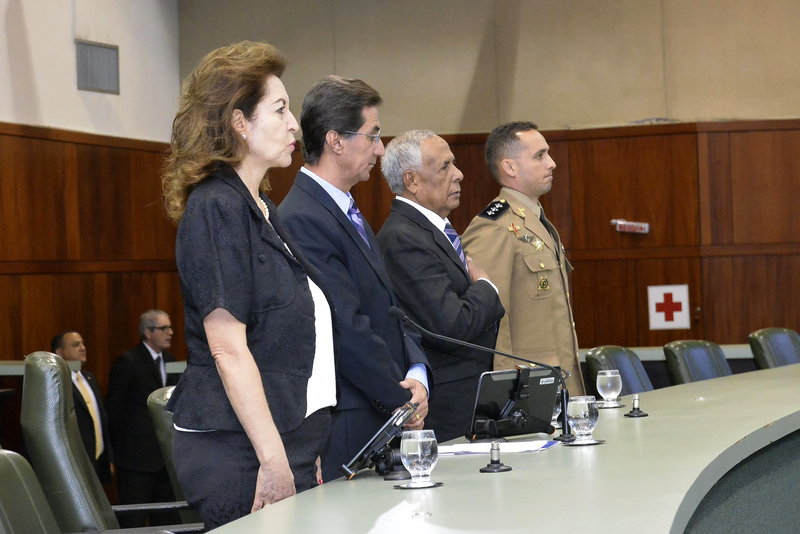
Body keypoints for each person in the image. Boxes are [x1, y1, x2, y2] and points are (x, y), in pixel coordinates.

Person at [161, 41, 336, 529]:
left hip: (282, 442)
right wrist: (275, 458)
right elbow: (228, 349)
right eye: (280, 109)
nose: (294, 124)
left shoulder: (261, 207)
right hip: (241, 454)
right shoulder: (216, 206)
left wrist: (304, 446)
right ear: (239, 122)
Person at [278, 76, 431, 479]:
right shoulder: (303, 217)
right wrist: (402, 401)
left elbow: (392, 309)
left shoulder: (346, 208)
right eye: (373, 135)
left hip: (382, 411)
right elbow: (345, 328)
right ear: (336, 141)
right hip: (351, 421)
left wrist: (417, 374)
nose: (380, 148)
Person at [377, 130, 505, 442]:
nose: (459, 174)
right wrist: (486, 286)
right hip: (446, 412)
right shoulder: (403, 238)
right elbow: (451, 326)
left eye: (454, 164)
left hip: (468, 402)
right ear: (411, 181)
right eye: (445, 167)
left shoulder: (433, 229)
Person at [462, 122, 586, 395]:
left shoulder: (536, 220)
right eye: (539, 156)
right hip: (529, 387)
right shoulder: (495, 226)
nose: (551, 163)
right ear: (510, 167)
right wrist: (505, 392)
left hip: (560, 380)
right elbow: (491, 319)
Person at [106, 309, 180, 527]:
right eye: (164, 328)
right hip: (135, 460)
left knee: (167, 521)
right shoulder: (128, 361)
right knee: (134, 521)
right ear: (148, 332)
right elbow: (114, 411)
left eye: (170, 327)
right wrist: (116, 453)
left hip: (166, 459)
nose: (170, 332)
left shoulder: (172, 361)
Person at [51, 330, 114, 484]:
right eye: (75, 345)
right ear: (60, 352)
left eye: (83, 344)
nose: (83, 348)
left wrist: (109, 458)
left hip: (98, 461)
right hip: (74, 463)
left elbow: (101, 420)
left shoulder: (89, 378)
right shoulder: (57, 382)